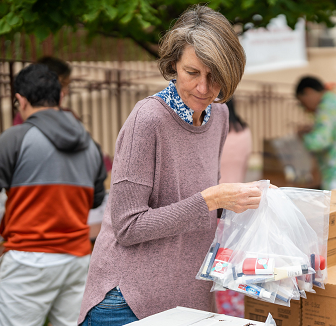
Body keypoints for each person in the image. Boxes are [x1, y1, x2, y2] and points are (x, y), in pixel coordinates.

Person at [78, 6, 262, 325]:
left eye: (215, 76)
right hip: (128, 302)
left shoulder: (219, 116)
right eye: (193, 72)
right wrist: (211, 200)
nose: (204, 89)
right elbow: (127, 226)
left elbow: (201, 208)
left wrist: (246, 207)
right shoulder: (148, 119)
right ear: (174, 64)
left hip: (188, 298)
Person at [0, 64, 106, 326]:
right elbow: (97, 199)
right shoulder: (90, 145)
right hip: (78, 260)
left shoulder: (17, 137)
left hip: (28, 261)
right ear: (60, 97)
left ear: (21, 100)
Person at [215, 98, 251, 317]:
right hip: (239, 207)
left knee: (217, 271)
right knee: (234, 268)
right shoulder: (245, 131)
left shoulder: (214, 133)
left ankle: (223, 316)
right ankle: (238, 315)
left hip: (216, 209)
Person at [13, 56, 72, 125]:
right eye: (62, 85)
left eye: (67, 86)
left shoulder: (69, 117)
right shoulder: (23, 121)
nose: (66, 92)